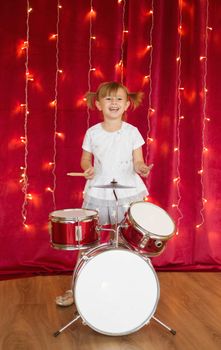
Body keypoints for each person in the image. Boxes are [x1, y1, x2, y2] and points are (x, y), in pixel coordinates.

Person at [55, 81, 153, 307]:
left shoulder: (133, 132)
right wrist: (86, 168)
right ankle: (77, 289)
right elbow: (85, 158)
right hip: (97, 193)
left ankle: (134, 288)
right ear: (98, 104)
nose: (114, 103)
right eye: (108, 99)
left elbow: (138, 160)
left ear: (127, 104)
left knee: (131, 243)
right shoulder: (92, 132)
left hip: (129, 193)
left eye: (119, 99)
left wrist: (142, 168)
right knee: (88, 244)